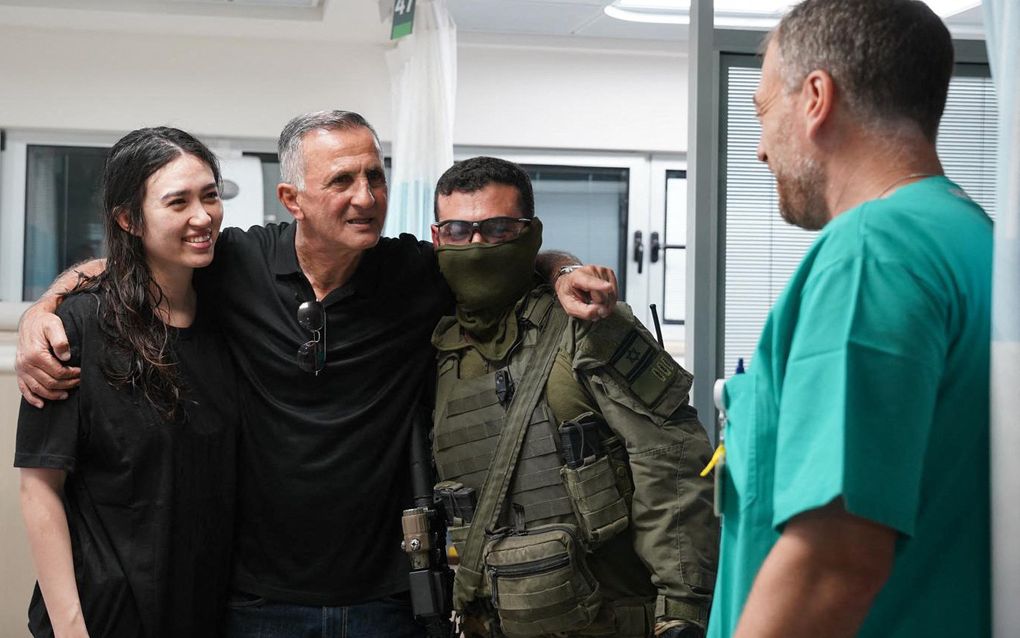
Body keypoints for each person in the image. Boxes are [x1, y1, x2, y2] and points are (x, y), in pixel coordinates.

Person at [15, 111, 619, 637]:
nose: (366, 196)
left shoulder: (413, 272)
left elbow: (501, 253)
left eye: (374, 177)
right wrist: (42, 311)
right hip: (255, 600)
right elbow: (129, 262)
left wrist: (563, 269)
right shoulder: (234, 265)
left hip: (389, 597)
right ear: (291, 199)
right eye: (341, 181)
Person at [706, 1, 992, 637]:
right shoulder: (977, 243)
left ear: (815, 98)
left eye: (761, 112)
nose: (758, 150)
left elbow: (832, 564)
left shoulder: (872, 254)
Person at [429, 156, 718, 638]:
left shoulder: (589, 325)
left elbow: (671, 460)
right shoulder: (434, 346)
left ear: (530, 234)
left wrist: (682, 611)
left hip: (610, 619)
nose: (476, 245)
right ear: (439, 238)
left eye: (498, 229)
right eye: (460, 230)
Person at [15, 127, 238, 637]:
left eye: (209, 195)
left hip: (200, 611)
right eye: (177, 202)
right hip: (103, 616)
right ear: (128, 218)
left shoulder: (229, 311)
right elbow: (39, 488)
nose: (202, 216)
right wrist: (72, 628)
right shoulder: (78, 327)